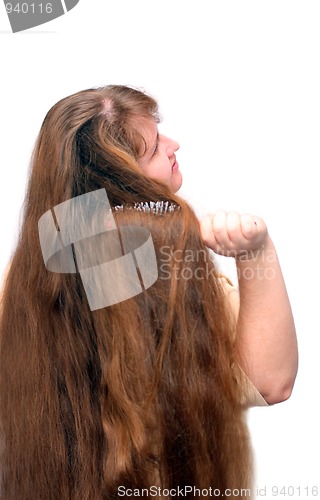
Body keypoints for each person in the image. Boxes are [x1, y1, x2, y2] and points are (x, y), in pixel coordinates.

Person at [0, 84, 298, 499]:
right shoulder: (168, 271)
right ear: (121, 177)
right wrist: (256, 252)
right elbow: (271, 382)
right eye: (156, 148)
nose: (174, 145)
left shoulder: (24, 280)